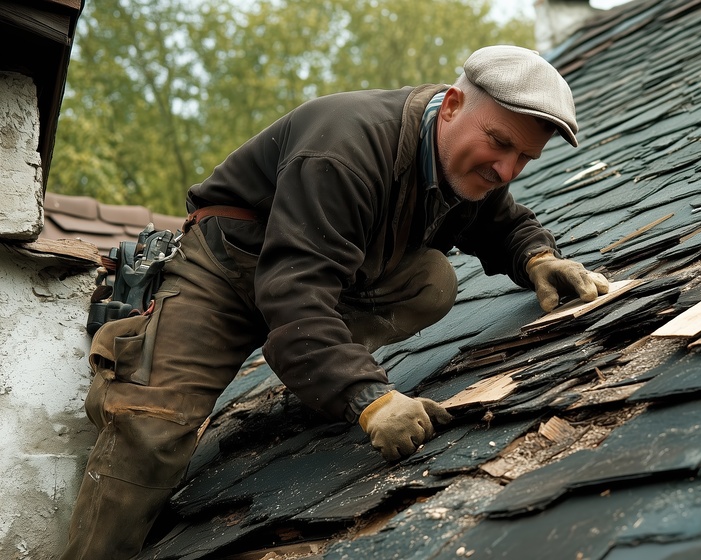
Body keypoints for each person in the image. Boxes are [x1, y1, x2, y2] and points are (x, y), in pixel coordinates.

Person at [61, 44, 609, 559]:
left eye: (524, 159)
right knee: (149, 431)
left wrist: (537, 258)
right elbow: (295, 294)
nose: (507, 169)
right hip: (226, 274)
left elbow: (498, 219)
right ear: (453, 105)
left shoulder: (456, 157)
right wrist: (369, 396)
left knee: (432, 280)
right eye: (499, 143)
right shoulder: (344, 147)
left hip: (314, 278)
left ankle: (314, 376)